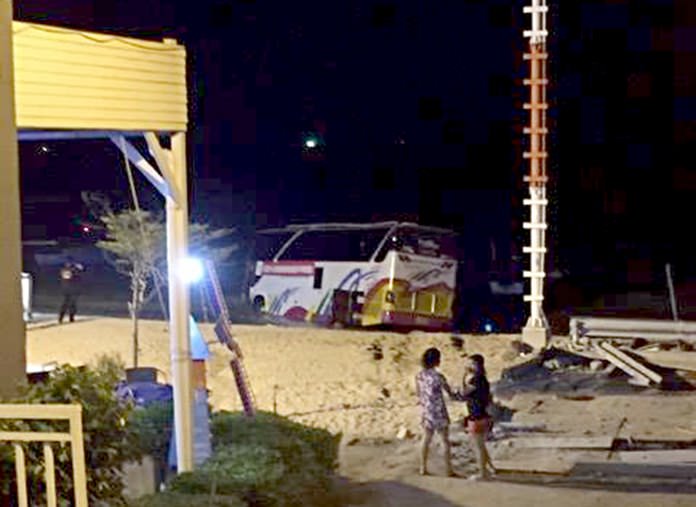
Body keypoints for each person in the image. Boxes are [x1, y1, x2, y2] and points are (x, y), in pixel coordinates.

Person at [415, 347, 455, 476]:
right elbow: (450, 393)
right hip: (439, 411)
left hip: (427, 410)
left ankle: (423, 467)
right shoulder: (439, 377)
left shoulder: (419, 376)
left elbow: (418, 393)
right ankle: (448, 470)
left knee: (426, 439)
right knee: (445, 441)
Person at [458, 353, 496, 480]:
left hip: (476, 415)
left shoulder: (476, 380)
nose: (469, 366)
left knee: (478, 446)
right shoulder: (484, 380)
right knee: (481, 444)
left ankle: (482, 473)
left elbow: (463, 393)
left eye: (471, 363)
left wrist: (463, 377)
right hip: (484, 414)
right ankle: (490, 468)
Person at [58, 259, 84, 323]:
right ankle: (61, 318)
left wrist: (77, 269)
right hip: (67, 290)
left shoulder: (74, 271)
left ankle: (71, 318)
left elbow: (81, 271)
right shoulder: (65, 270)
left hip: (73, 289)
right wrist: (75, 270)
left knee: (72, 304)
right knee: (65, 304)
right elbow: (68, 276)